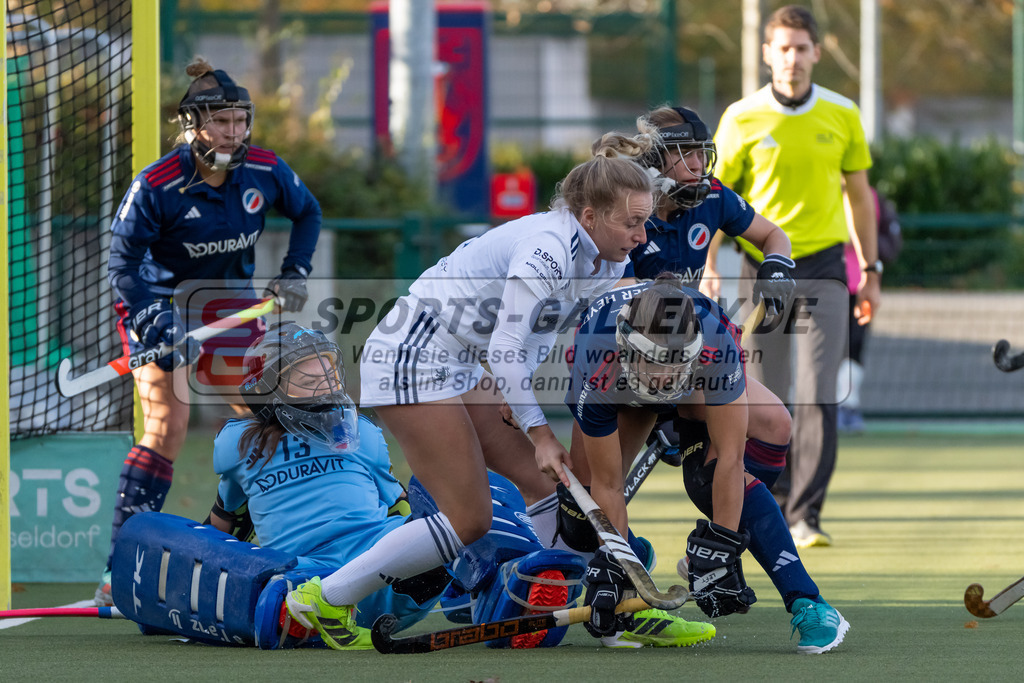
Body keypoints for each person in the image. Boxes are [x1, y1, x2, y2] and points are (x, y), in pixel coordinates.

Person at [283, 138, 712, 650]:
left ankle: (616, 604)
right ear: (591, 214)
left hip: (462, 359)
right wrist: (537, 430)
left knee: (552, 486)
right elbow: (508, 345)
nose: (642, 237)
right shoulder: (548, 248)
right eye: (632, 223)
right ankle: (324, 597)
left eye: (645, 223)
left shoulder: (607, 258)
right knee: (470, 518)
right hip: (412, 353)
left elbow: (545, 328)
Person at [96, 57, 322, 605]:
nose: (235, 132)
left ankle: (267, 546)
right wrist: (154, 316)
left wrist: (294, 272)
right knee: (168, 424)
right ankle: (119, 570)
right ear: (193, 124)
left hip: (228, 307)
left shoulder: (264, 171)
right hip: (157, 305)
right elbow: (122, 261)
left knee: (262, 421)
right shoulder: (157, 184)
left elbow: (308, 212)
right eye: (222, 122)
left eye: (241, 121)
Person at [563, 275, 849, 654]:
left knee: (730, 463)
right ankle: (634, 561)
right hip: (623, 389)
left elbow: (731, 459)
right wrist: (616, 560)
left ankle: (808, 602)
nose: (665, 377)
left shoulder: (715, 342)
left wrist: (723, 544)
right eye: (655, 363)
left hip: (696, 386)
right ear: (629, 348)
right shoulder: (597, 356)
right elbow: (609, 484)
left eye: (675, 362)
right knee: (580, 517)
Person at [712, 5, 881, 549]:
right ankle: (768, 507)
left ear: (817, 52)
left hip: (827, 270)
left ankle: (806, 515)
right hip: (764, 272)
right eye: (782, 48)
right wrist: (711, 265)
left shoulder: (842, 113)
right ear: (767, 54)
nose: (792, 58)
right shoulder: (741, 117)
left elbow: (859, 198)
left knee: (818, 396)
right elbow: (716, 200)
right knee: (763, 395)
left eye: (801, 48)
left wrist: (871, 270)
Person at [838, 186, 902, 433]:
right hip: (828, 285)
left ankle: (848, 405)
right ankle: (828, 407)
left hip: (862, 286)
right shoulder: (824, 193)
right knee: (828, 348)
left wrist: (865, 242)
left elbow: (889, 241)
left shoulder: (872, 198)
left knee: (856, 346)